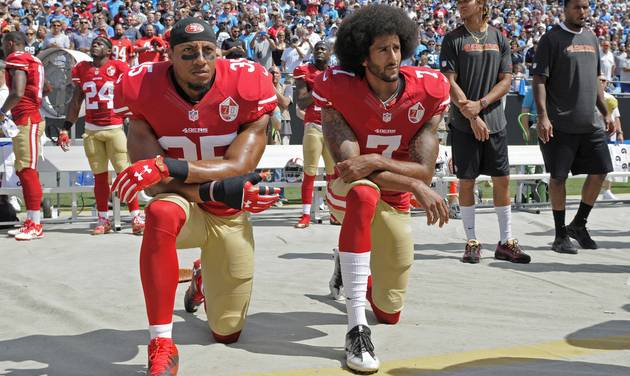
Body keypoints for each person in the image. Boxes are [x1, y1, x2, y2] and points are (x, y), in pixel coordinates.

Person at [111, 18, 279, 375]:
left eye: (207, 50)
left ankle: (203, 279)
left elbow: (239, 165)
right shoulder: (142, 87)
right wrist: (196, 183)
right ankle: (162, 342)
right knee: (160, 213)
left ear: (217, 53)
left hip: (227, 214)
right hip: (183, 204)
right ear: (170, 56)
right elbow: (156, 187)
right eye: (188, 53)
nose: (199, 59)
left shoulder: (247, 84)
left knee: (227, 332)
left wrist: (166, 166)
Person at [313, 5, 450, 373]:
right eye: (382, 49)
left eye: (396, 47)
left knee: (390, 312)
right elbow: (351, 169)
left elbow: (422, 170)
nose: (393, 57)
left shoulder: (428, 89)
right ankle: (356, 327)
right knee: (361, 192)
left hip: (395, 199)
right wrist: (404, 180)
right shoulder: (337, 88)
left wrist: (377, 162)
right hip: (348, 192)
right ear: (362, 56)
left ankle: (350, 263)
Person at [440, 0, 531, 264]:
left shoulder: (499, 38)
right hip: (463, 124)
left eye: (465, 1)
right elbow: (448, 81)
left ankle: (506, 242)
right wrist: (471, 115)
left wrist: (480, 105)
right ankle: (471, 241)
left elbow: (505, 80)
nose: (460, 6)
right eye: (457, 3)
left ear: (481, 4)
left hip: (495, 122)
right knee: (467, 181)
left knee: (502, 180)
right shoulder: (452, 39)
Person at [532, 0, 616, 254]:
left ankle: (579, 224)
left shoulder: (591, 38)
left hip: (590, 123)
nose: (583, 12)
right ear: (565, 9)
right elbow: (539, 80)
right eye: (577, 7)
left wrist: (606, 113)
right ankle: (560, 235)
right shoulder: (551, 39)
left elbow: (596, 81)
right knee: (558, 179)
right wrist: (543, 116)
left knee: (601, 171)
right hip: (559, 123)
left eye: (586, 7)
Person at [57, 37, 144, 235]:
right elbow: (76, 100)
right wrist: (65, 127)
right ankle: (103, 219)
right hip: (91, 130)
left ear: (108, 51)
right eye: (93, 43)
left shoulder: (119, 67)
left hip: (114, 128)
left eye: (99, 44)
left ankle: (136, 217)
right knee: (100, 178)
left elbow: (133, 94)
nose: (94, 45)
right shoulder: (82, 69)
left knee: (125, 173)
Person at [1, 32, 45, 241]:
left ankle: (35, 224)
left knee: (27, 171)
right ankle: (31, 221)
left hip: (27, 118)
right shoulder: (33, 59)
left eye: (3, 44)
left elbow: (17, 92)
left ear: (10, 43)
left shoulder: (16, 58)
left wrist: (1, 113)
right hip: (29, 116)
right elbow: (47, 88)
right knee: (24, 170)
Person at [292, 41, 335, 228]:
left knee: (334, 173)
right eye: (316, 48)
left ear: (330, 53)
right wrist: (322, 89)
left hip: (333, 127)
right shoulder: (304, 71)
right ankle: (305, 215)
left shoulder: (335, 73)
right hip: (313, 125)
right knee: (310, 171)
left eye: (323, 48)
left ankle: (335, 212)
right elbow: (301, 102)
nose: (319, 51)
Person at [595, 75, 623, 201]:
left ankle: (607, 191)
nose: (601, 82)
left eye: (604, 80)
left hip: (609, 135)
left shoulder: (611, 98)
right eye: (599, 80)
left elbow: (616, 117)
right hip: (594, 135)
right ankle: (596, 191)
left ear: (607, 83)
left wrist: (620, 132)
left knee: (609, 163)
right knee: (595, 165)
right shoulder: (590, 96)